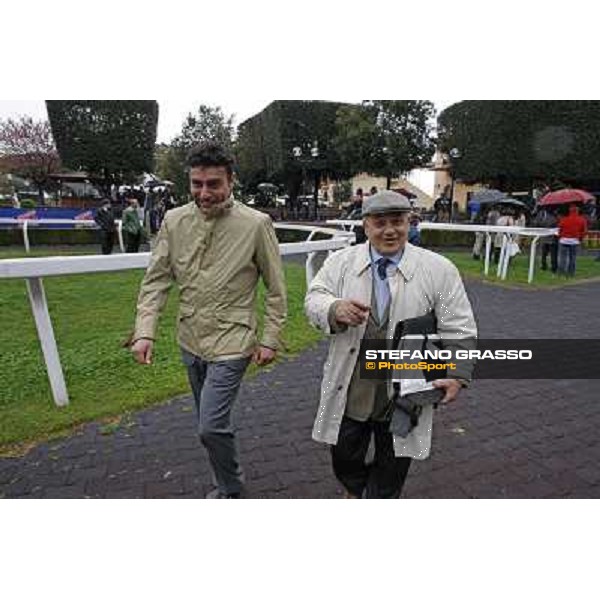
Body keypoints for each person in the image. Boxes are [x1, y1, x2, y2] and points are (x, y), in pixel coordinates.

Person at [130, 141, 287, 499]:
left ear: (231, 181)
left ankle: (232, 490)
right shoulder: (173, 220)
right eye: (197, 184)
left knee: (210, 427)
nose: (204, 192)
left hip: (234, 341)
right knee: (210, 424)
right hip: (190, 339)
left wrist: (269, 338)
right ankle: (225, 485)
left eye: (213, 184)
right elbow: (156, 280)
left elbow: (276, 289)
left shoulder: (256, 224)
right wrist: (145, 333)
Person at [304, 190, 477, 499]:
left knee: (395, 459)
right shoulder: (340, 263)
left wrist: (458, 371)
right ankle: (354, 490)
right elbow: (315, 297)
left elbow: (457, 322)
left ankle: (382, 497)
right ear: (365, 226)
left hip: (405, 386)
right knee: (344, 453)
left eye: (397, 221)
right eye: (379, 222)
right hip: (353, 381)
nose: (389, 230)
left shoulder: (438, 269)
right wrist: (333, 309)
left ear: (410, 222)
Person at [557, 204, 588, 277]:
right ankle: (571, 273)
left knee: (562, 258)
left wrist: (560, 236)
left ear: (569, 211)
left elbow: (560, 229)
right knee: (573, 258)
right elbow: (584, 231)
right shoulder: (582, 220)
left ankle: (561, 273)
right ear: (577, 211)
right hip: (575, 241)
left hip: (564, 240)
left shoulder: (564, 219)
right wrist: (580, 238)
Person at [533, 208, 558, 273]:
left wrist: (541, 223)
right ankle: (544, 266)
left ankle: (554, 268)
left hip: (552, 238)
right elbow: (536, 223)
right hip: (544, 238)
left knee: (553, 255)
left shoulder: (554, 215)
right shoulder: (540, 214)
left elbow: (553, 223)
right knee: (544, 254)